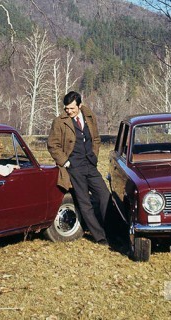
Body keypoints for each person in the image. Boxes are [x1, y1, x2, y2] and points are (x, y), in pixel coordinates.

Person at [47, 91, 110, 245]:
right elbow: (52, 145)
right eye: (66, 108)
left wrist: (94, 156)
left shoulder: (89, 116)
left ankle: (111, 231)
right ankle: (100, 237)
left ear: (80, 106)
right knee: (84, 202)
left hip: (90, 164)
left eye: (72, 109)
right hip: (74, 167)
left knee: (104, 196)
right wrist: (66, 162)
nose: (69, 111)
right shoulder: (59, 122)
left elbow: (95, 138)